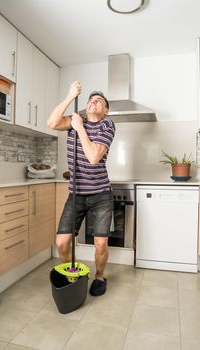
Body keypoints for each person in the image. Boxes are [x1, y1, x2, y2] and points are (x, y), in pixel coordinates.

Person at [47, 81, 115, 296]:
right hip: (76, 193)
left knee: (101, 244)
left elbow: (94, 157)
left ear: (106, 110)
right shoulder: (75, 120)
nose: (94, 102)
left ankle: (99, 277)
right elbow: (51, 123)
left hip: (101, 195)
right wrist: (69, 96)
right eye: (91, 100)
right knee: (62, 242)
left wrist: (80, 129)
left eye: (99, 101)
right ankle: (72, 274)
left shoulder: (107, 125)